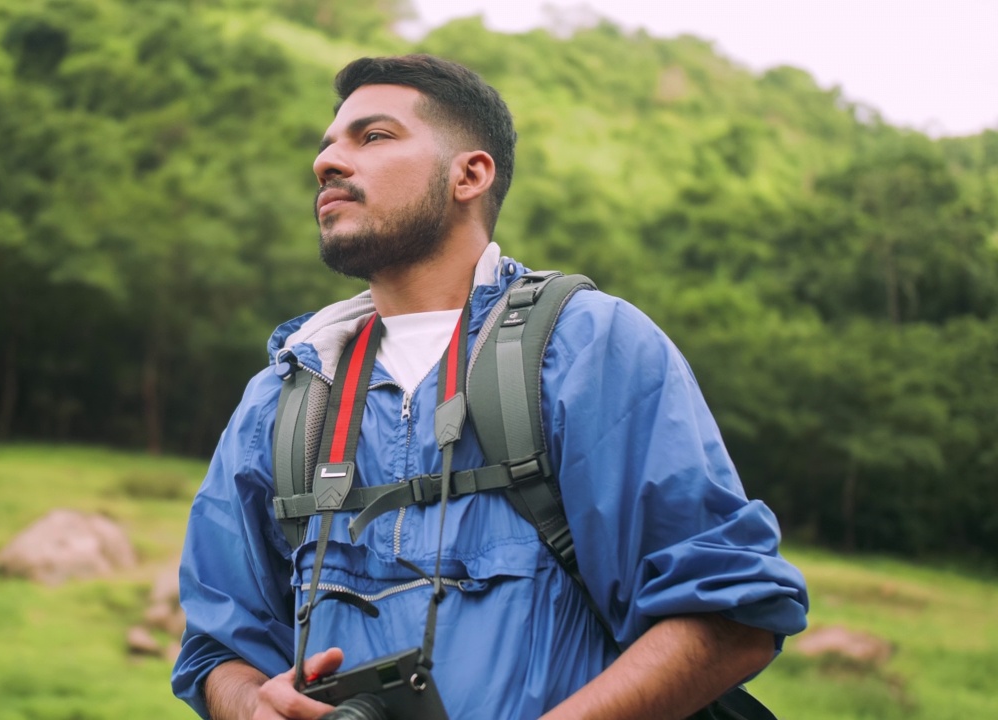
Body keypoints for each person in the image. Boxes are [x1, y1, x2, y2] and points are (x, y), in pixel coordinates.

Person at [171, 54, 808, 720]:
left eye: (373, 136)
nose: (325, 162)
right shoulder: (286, 396)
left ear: (469, 174)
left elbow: (730, 619)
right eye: (326, 145)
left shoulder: (585, 346)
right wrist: (249, 706)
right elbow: (216, 649)